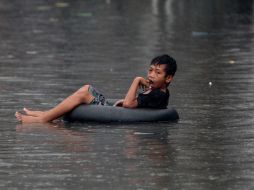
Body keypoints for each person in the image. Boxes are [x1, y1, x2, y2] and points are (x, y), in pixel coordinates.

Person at [15, 54, 177, 123]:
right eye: (150, 70)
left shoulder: (157, 95)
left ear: (168, 78)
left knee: (85, 91)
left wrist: (136, 80)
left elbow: (129, 105)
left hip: (115, 113)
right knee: (86, 90)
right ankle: (44, 114)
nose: (151, 75)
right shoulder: (158, 92)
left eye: (157, 72)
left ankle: (42, 119)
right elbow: (136, 103)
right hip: (113, 110)